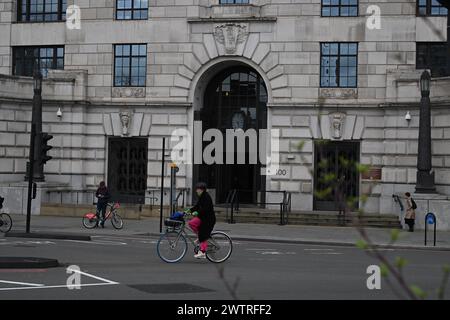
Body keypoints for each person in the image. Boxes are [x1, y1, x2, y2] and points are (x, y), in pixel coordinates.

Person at [187, 182, 216, 259]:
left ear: (202, 190)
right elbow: (197, 206)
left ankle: (203, 252)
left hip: (208, 220)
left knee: (203, 234)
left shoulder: (206, 197)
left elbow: (205, 209)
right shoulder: (201, 197)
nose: (196, 190)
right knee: (191, 223)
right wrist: (189, 211)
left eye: (198, 189)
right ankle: (200, 237)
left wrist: (197, 212)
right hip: (202, 218)